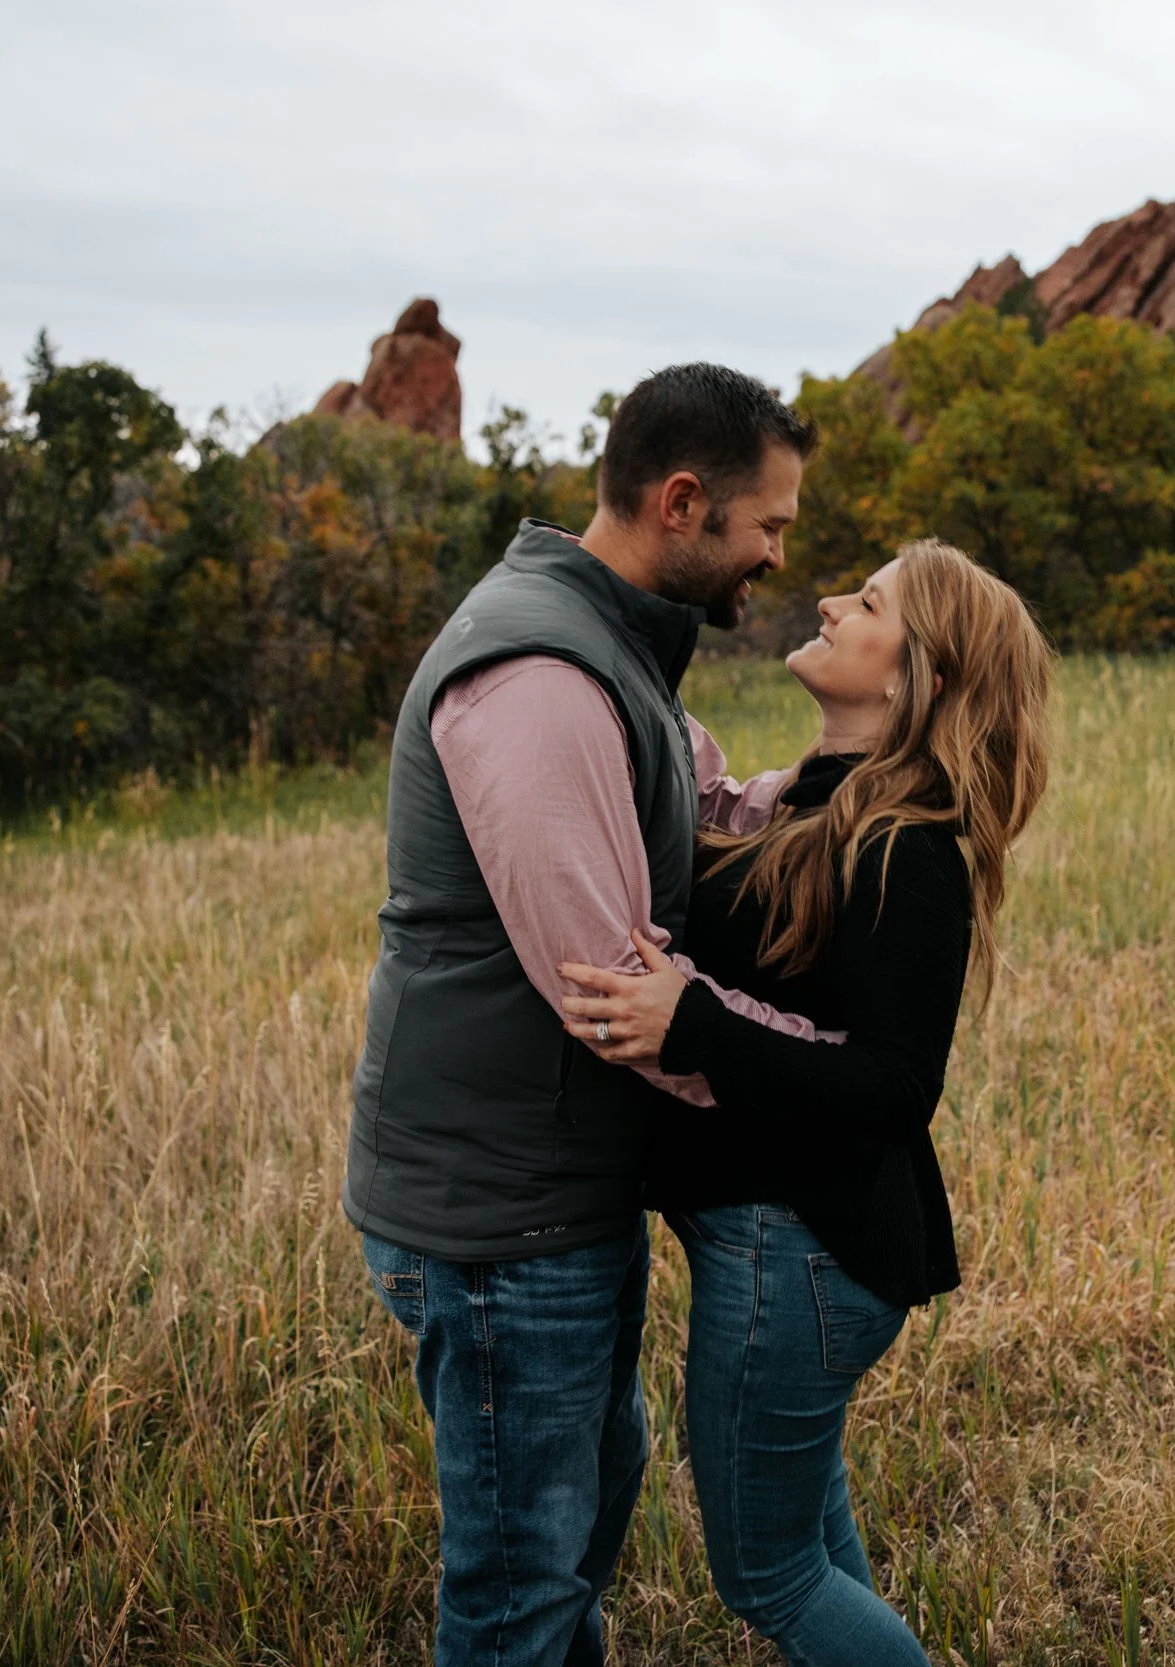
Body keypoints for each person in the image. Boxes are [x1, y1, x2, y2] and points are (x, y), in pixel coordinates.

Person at [345, 362, 826, 1667]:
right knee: (521, 1588)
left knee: (577, 1512)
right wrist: (828, 1083)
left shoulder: (612, 645)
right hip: (500, 1216)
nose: (777, 556)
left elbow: (706, 805)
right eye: (768, 525)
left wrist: (867, 788)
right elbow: (614, 989)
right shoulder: (541, 674)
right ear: (684, 502)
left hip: (556, 1192)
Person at [558, 539, 1053, 1667]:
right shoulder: (821, 803)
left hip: (800, 1252)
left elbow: (892, 1086)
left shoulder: (906, 845)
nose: (830, 601)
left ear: (912, 673)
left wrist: (687, 1021)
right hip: (789, 1244)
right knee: (813, 1539)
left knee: (768, 1570)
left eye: (867, 601)